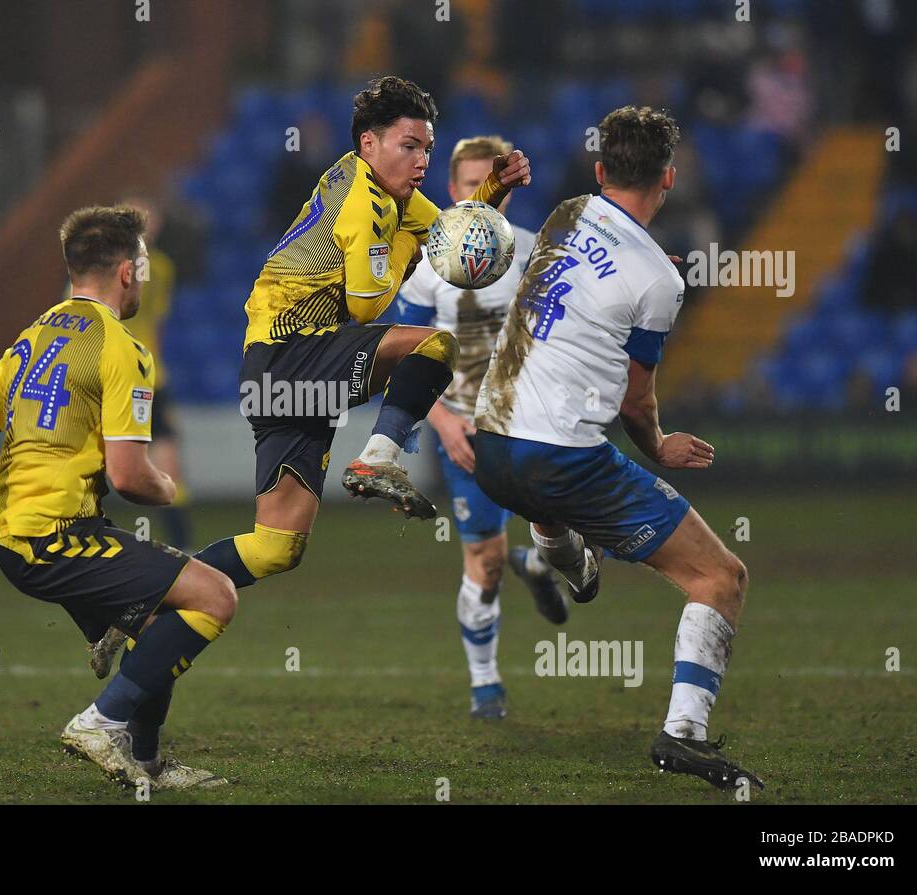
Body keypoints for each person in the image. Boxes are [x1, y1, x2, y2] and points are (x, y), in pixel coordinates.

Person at [470, 106, 762, 792]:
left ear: (600, 171)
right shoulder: (660, 281)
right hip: (561, 457)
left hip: (491, 448)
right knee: (721, 578)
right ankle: (682, 735)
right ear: (669, 177)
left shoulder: (567, 213)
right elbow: (636, 400)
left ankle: (570, 564)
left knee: (547, 503)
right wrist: (659, 446)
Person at [191, 76, 531, 595]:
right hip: (293, 352)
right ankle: (377, 458)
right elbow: (367, 305)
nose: (422, 162)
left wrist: (494, 189)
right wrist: (407, 249)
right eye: (410, 146)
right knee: (435, 345)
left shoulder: (385, 189)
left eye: (427, 149)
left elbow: (446, 236)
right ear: (369, 144)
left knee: (275, 546)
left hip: (274, 377)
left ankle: (146, 595)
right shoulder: (362, 202)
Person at [0, 206, 235, 791]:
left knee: (160, 626)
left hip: (16, 537)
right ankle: (101, 722)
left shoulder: (34, 334)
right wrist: (169, 487)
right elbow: (131, 477)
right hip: (59, 535)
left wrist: (6, 506)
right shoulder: (120, 346)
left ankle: (149, 761)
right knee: (215, 595)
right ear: (127, 272)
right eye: (145, 266)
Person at [396, 135, 567, 720]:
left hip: (537, 421)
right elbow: (404, 355)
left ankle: (542, 561)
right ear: (452, 191)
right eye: (471, 186)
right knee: (486, 564)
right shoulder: (428, 263)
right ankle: (485, 683)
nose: (481, 196)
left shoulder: (535, 252)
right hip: (466, 427)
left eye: (491, 185)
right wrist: (440, 422)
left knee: (583, 533)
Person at [118, 195, 193, 551]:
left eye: (149, 218)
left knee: (169, 467)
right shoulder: (102, 266)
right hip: (110, 376)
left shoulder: (161, 268)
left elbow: (157, 327)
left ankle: (184, 551)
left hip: (149, 377)